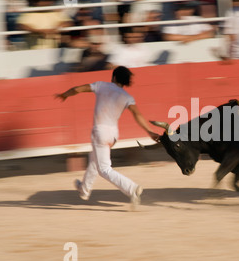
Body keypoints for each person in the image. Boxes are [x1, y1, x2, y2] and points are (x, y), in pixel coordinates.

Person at [55, 66, 160, 208]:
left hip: (100, 132)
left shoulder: (101, 85)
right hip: (113, 134)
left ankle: (132, 188)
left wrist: (64, 95)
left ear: (114, 78)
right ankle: (84, 189)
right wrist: (149, 131)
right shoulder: (127, 96)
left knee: (104, 169)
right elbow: (137, 115)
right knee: (94, 158)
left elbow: (78, 89)